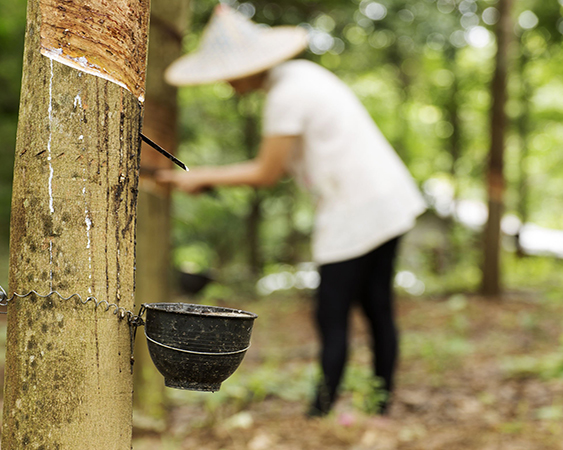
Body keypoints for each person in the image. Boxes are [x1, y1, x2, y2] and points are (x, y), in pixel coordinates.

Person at [157, 5, 426, 418]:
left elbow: (267, 171)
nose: (228, 82)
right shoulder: (303, 78)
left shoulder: (287, 94)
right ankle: (379, 404)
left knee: (332, 315)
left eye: (229, 73)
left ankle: (320, 412)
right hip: (385, 199)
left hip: (356, 208)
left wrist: (202, 175)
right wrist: (206, 179)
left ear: (250, 67)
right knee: (377, 308)